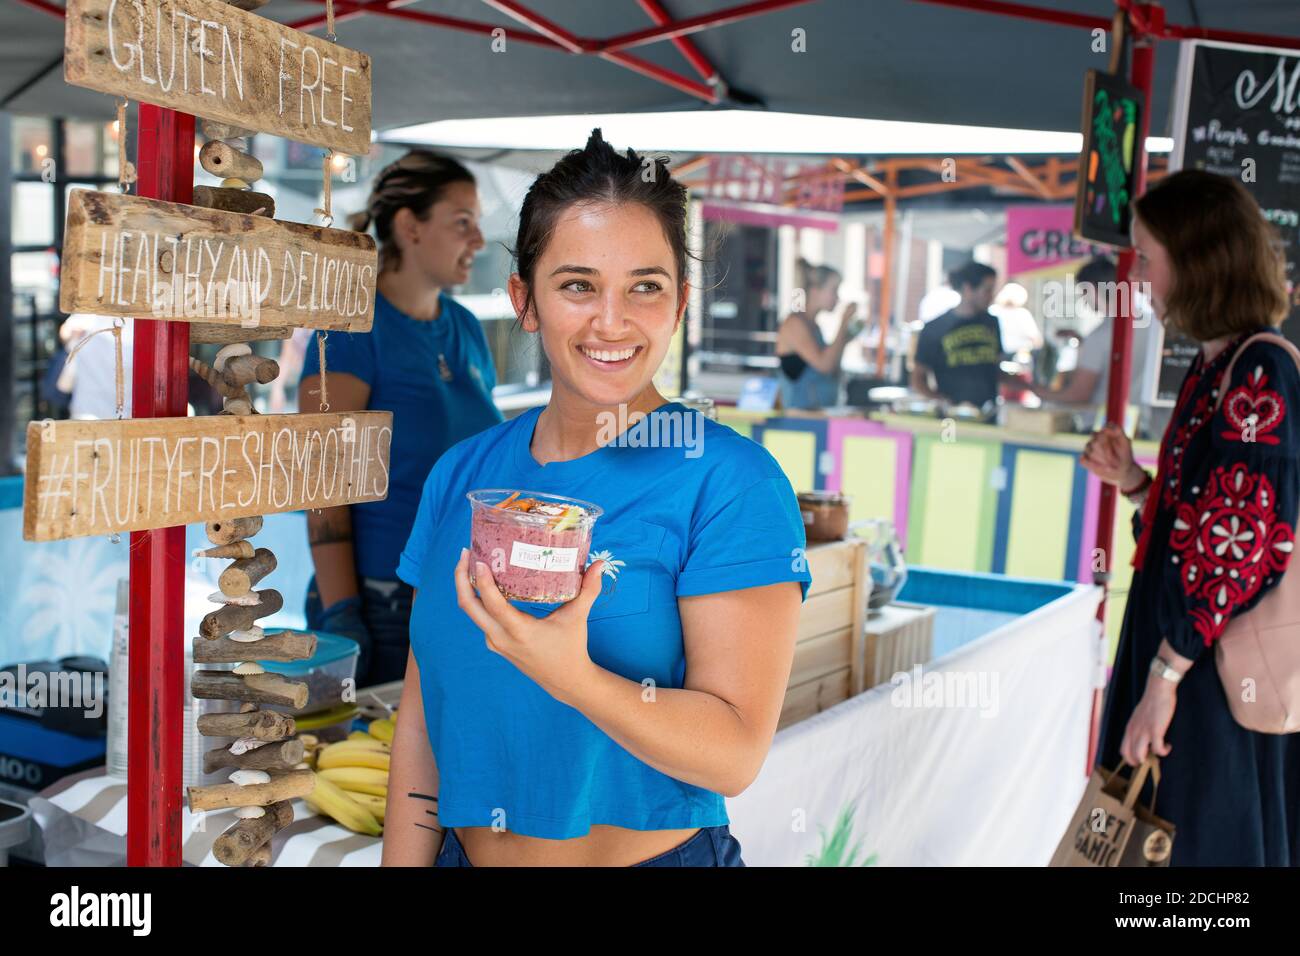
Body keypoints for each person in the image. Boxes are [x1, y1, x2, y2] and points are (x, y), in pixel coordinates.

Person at [383, 130, 810, 868]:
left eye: (646, 286)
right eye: (578, 285)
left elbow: (734, 755)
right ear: (525, 300)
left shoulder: (729, 481)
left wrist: (572, 674)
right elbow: (422, 729)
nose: (612, 321)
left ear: (679, 304)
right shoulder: (461, 475)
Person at [1081, 169, 1300, 866]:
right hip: (1189, 652)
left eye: (1148, 257)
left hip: (1209, 668)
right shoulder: (1217, 366)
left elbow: (1241, 552)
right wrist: (1136, 483)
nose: (1138, 275)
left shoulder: (1259, 371)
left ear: (1198, 262)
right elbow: (1200, 532)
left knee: (1196, 851)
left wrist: (1164, 680)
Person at [300, 151, 502, 688]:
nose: (478, 241)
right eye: (462, 223)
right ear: (409, 226)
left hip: (460, 593)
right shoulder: (347, 327)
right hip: (379, 603)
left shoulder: (465, 327)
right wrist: (342, 610)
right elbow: (320, 479)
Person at [911, 261, 1004, 410]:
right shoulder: (934, 328)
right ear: (968, 289)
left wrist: (1033, 387)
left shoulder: (992, 323)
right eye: (987, 290)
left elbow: (997, 370)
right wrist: (939, 400)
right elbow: (918, 378)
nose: (991, 297)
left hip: (988, 412)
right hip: (951, 415)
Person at [774, 260, 860, 409]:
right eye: (834, 290)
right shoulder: (794, 325)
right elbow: (824, 365)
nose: (837, 298)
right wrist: (843, 323)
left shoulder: (815, 328)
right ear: (815, 290)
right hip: (799, 420)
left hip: (817, 416)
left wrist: (845, 339)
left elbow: (833, 369)